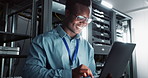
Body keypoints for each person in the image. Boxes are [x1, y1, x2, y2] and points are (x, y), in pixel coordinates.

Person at [22, 0, 97, 78]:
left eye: (87, 20)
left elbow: (92, 75)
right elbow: (30, 73)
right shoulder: (42, 41)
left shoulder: (88, 47)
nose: (84, 23)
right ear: (67, 13)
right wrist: (69, 74)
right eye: (80, 17)